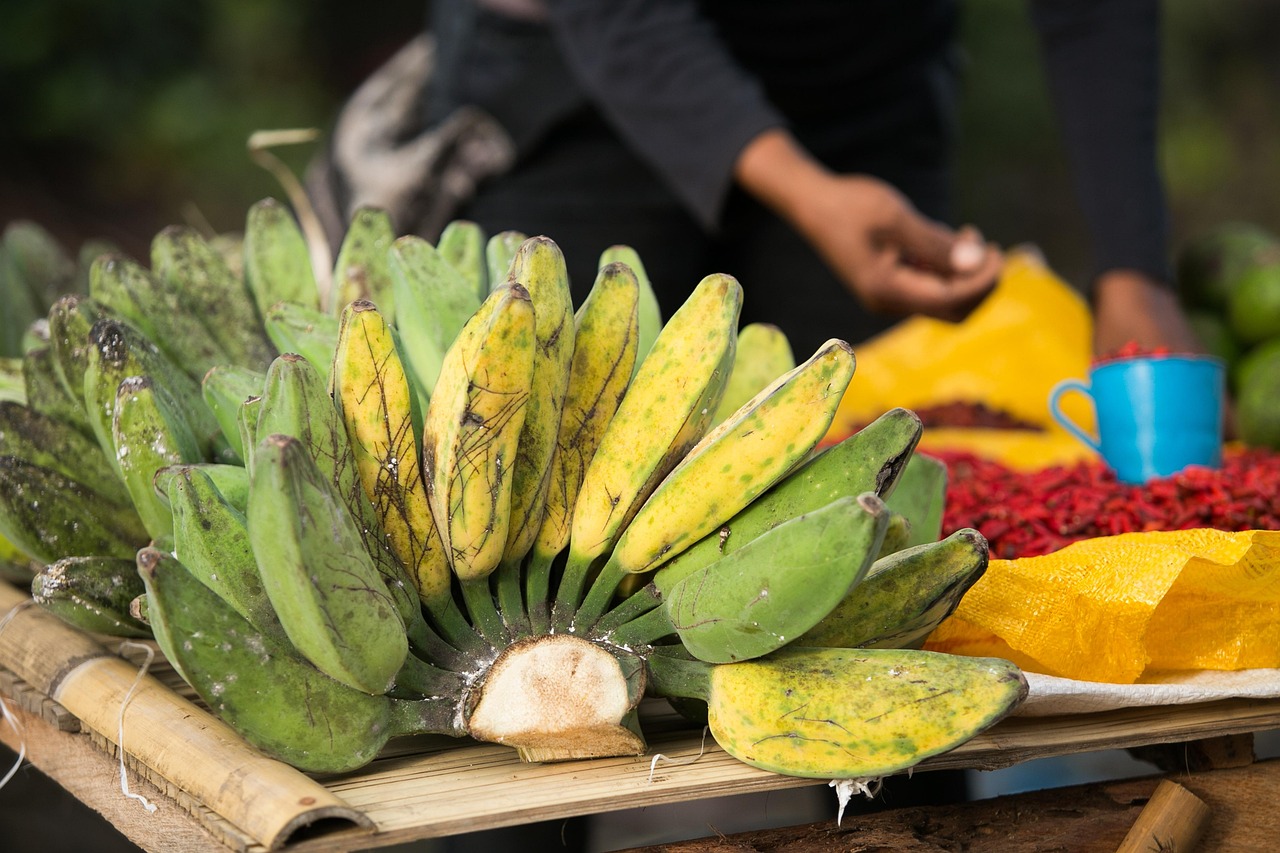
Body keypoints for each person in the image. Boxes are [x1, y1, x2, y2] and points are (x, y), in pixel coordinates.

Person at [413, 0, 1202, 359]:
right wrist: (804, 189)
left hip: (862, 83)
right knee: (552, 450)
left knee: (855, 486)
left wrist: (1134, 266)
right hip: (580, 84)